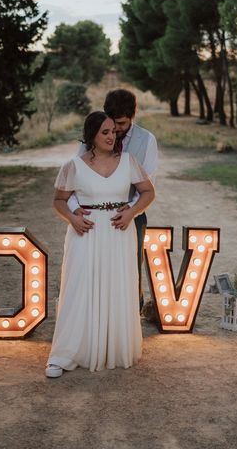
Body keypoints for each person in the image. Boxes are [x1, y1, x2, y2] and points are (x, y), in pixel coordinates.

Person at [46, 111, 155, 378]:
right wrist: (72, 218)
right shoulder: (74, 165)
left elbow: (148, 192)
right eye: (104, 132)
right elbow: (59, 201)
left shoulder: (128, 162)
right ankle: (65, 353)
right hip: (86, 234)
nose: (111, 136)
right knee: (80, 288)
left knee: (116, 286)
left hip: (119, 234)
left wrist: (131, 212)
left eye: (113, 132)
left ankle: (112, 347)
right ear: (91, 136)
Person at [67, 89, 158, 311]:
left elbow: (149, 181)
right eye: (112, 124)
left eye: (122, 124)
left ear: (132, 117)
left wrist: (131, 210)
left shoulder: (146, 140)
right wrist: (76, 210)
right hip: (94, 216)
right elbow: (75, 178)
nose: (116, 131)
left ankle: (129, 316)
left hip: (131, 214)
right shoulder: (91, 138)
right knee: (93, 269)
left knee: (130, 268)